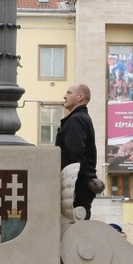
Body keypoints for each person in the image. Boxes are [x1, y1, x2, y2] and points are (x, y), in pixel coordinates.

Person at [57, 83, 99, 220]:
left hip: (76, 182)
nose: (64, 96)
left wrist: (72, 186)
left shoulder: (76, 119)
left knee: (77, 224)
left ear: (80, 97)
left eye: (69, 93)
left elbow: (74, 153)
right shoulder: (80, 118)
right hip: (81, 181)